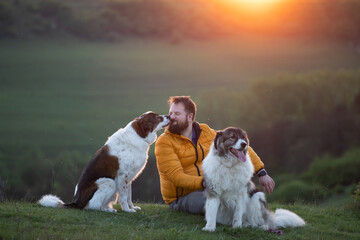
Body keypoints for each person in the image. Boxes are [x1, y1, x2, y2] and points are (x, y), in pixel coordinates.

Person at [155, 96, 275, 215]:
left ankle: (261, 219)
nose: (171, 117)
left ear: (190, 116)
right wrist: (203, 182)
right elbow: (176, 177)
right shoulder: (164, 141)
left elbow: (236, 146)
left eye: (177, 113)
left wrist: (261, 172)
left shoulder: (205, 131)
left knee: (245, 195)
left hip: (210, 187)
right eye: (170, 113)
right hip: (182, 197)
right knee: (218, 204)